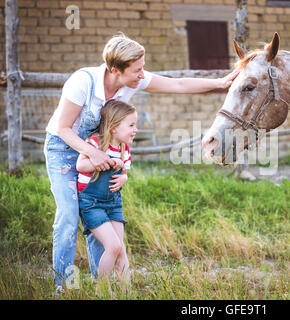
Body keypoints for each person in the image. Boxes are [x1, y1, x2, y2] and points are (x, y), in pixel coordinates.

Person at [44, 33, 239, 294]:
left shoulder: (131, 81)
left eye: (142, 68)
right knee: (68, 215)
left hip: (102, 153)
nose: (142, 74)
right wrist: (93, 155)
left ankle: (99, 283)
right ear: (115, 70)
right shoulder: (83, 82)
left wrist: (220, 83)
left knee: (96, 211)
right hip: (65, 149)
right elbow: (63, 128)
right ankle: (62, 286)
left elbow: (178, 85)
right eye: (137, 70)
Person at [76, 100, 135, 285]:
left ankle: (127, 292)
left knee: (121, 249)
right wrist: (106, 161)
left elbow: (124, 172)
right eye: (131, 125)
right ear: (113, 127)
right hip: (92, 203)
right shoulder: (96, 142)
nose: (136, 129)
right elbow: (80, 165)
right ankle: (102, 289)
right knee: (113, 246)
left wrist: (123, 178)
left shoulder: (125, 148)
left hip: (113, 203)